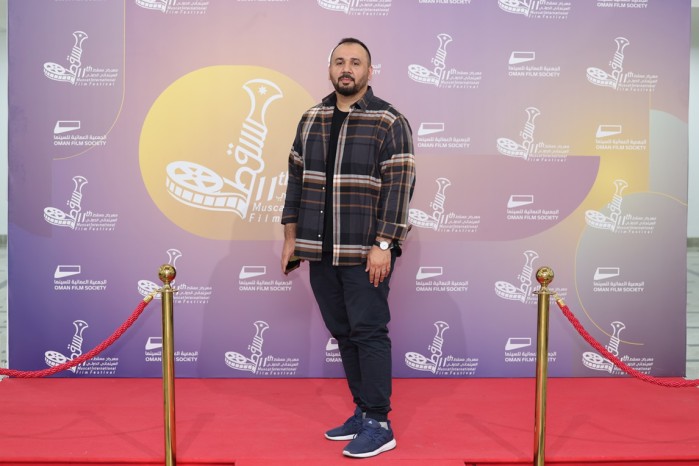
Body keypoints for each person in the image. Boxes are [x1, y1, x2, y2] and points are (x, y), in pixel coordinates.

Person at [280, 37, 416, 458]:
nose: (346, 69)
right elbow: (296, 179)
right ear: (330, 69)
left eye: (356, 62)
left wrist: (384, 243)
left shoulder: (389, 121)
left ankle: (379, 422)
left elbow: (399, 186)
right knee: (342, 332)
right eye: (339, 62)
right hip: (320, 250)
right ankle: (362, 410)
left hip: (365, 251)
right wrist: (291, 238)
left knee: (369, 332)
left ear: (369, 72)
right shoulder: (312, 118)